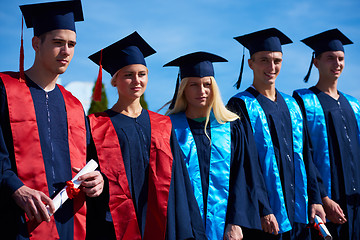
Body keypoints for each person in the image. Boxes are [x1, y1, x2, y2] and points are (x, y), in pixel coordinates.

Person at [87, 32, 206, 240]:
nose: (137, 80)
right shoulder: (97, 125)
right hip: (115, 225)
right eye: (128, 75)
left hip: (162, 223)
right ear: (114, 81)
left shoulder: (162, 124)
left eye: (142, 74)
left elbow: (181, 183)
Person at [0, 1, 104, 239]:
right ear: (36, 44)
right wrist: (14, 187)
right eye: (58, 43)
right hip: (16, 220)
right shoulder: (5, 89)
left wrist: (98, 181)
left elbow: (91, 160)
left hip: (69, 222)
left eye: (71, 44)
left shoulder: (75, 106)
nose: (66, 51)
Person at [163, 51, 276, 240]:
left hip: (226, 229)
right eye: (194, 85)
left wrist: (236, 221)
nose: (202, 91)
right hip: (181, 226)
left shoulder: (232, 127)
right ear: (183, 89)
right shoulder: (168, 129)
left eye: (207, 84)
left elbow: (244, 176)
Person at [227, 28, 326, 240]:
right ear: (251, 63)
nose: (271, 67)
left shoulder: (292, 105)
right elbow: (244, 165)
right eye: (264, 60)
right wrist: (263, 207)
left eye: (277, 61)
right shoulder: (240, 106)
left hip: (298, 212)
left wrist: (315, 198)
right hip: (264, 218)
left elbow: (307, 155)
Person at [293, 28, 360, 240]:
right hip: (327, 202)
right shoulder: (303, 101)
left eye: (341, 58)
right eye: (330, 58)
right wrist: (322, 196)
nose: (337, 64)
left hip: (355, 200)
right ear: (316, 62)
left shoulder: (354, 105)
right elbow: (304, 154)